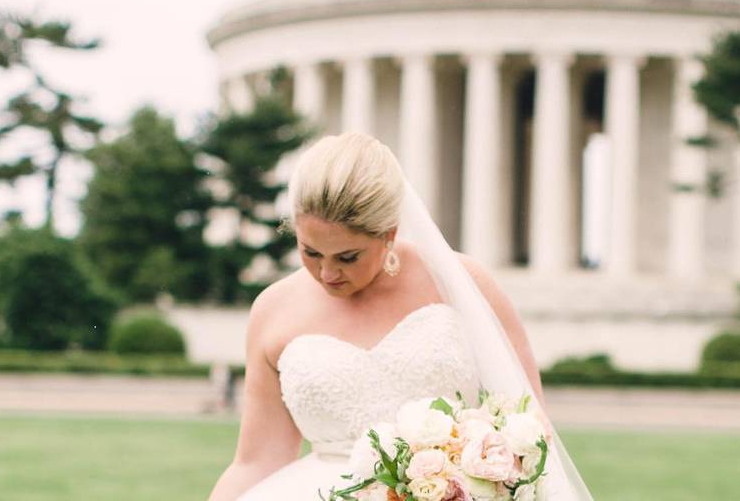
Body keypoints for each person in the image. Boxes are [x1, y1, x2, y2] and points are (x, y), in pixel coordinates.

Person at [208, 132, 592, 500]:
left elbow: (528, 426)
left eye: (347, 257)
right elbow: (258, 460)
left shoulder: (460, 285)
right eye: (310, 252)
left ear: (388, 233)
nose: (327, 273)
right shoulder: (274, 309)